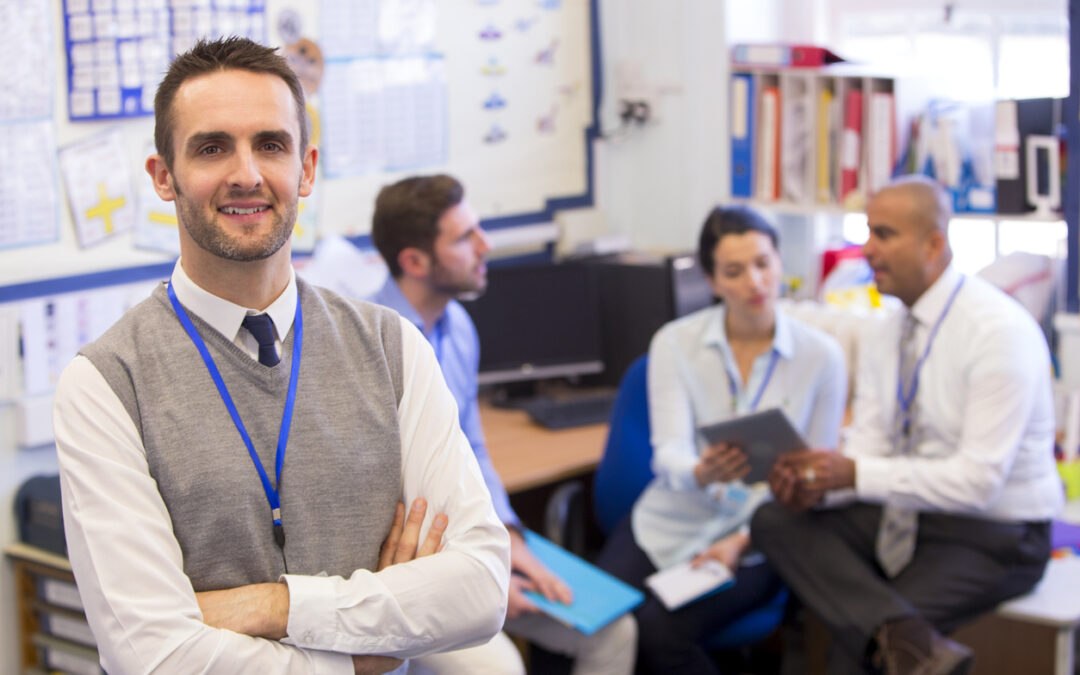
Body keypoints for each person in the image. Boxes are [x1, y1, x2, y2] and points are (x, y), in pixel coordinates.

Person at [53, 37, 510, 675]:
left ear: (306, 168)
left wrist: (274, 606)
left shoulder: (392, 347)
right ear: (165, 177)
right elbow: (151, 655)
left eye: (271, 144)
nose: (247, 173)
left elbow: (480, 590)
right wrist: (358, 659)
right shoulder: (105, 383)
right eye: (212, 147)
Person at [752, 175, 1064, 675]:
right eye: (868, 232)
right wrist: (819, 486)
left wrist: (853, 475)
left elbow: (978, 483)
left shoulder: (997, 332)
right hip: (911, 513)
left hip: (996, 533)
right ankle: (917, 650)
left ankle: (894, 643)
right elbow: (871, 447)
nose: (867, 250)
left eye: (885, 235)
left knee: (852, 656)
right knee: (775, 519)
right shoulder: (888, 329)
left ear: (935, 244)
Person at [369, 174, 637, 675]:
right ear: (414, 262)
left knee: (613, 632)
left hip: (473, 540)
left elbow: (472, 448)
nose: (485, 246)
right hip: (408, 566)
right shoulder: (370, 342)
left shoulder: (459, 327)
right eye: (465, 237)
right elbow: (384, 499)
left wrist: (510, 539)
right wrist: (480, 573)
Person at [594, 205, 847, 673]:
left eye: (763, 264)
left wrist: (744, 542)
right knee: (594, 621)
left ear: (779, 264)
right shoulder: (675, 342)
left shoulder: (821, 357)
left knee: (657, 633)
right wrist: (699, 471)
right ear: (712, 281)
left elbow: (815, 479)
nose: (754, 282)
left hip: (760, 535)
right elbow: (667, 453)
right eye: (735, 271)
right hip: (669, 520)